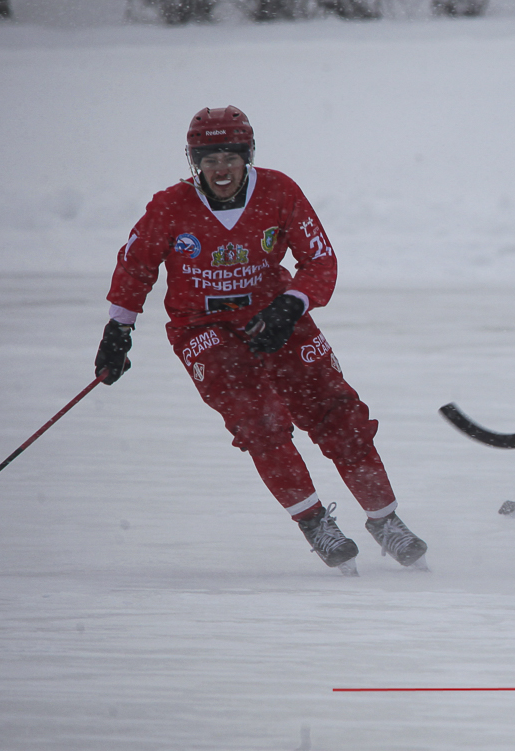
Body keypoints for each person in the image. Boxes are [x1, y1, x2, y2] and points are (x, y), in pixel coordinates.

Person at [93, 106, 428, 576]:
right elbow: (136, 265)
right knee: (260, 418)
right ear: (194, 163)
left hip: (274, 316)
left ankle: (385, 520)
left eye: (230, 156)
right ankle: (315, 523)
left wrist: (291, 304)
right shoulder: (170, 205)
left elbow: (321, 261)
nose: (221, 169)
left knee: (337, 412)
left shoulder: (278, 191)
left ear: (248, 156)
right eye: (209, 159)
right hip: (202, 328)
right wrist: (118, 329)